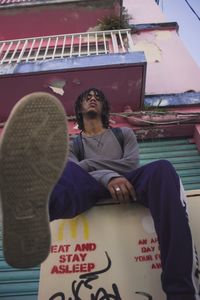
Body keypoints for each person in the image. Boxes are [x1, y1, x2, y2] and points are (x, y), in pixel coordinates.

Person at [0, 89, 199, 300]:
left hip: (129, 182)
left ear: (104, 107)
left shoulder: (124, 134)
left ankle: (182, 292)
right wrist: (107, 177)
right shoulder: (72, 144)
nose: (92, 98)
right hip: (89, 188)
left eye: (97, 97)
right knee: (63, 173)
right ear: (79, 109)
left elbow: (129, 164)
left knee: (162, 170)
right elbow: (73, 170)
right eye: (87, 97)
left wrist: (92, 168)